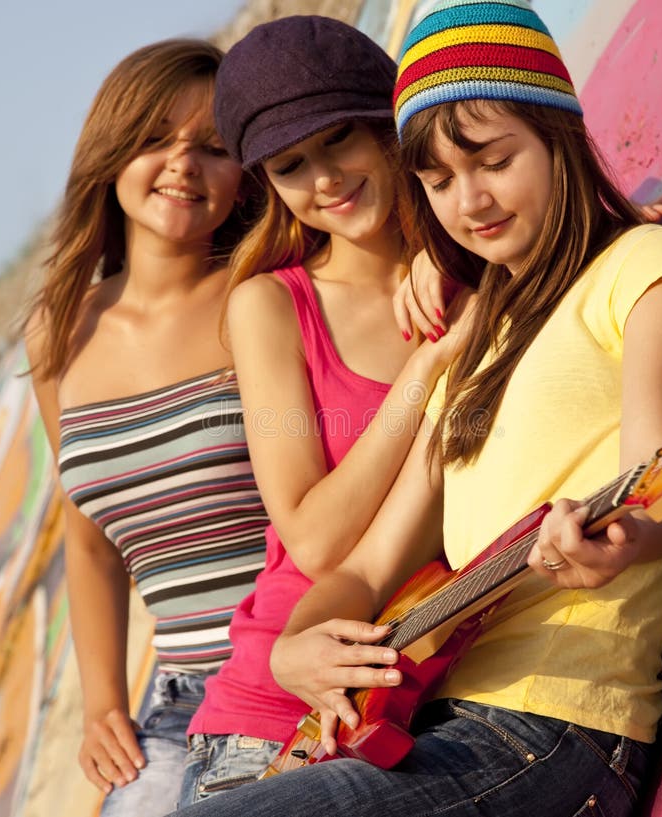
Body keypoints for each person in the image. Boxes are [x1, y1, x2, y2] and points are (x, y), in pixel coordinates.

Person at [168, 2, 662, 815]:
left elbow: (659, 484)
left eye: (494, 161)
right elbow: (363, 569)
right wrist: (299, 646)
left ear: (558, 133)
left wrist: (623, 538)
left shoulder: (651, 270)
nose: (469, 201)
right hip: (430, 726)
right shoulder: (475, 337)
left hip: (553, 726)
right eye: (437, 180)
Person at [176, 15, 470, 805]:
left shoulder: (476, 268)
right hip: (272, 720)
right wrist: (429, 363)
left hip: (425, 713)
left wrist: (458, 275)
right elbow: (310, 533)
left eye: (339, 139)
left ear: (386, 123)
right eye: (290, 166)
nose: (324, 180)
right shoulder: (271, 306)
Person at [23, 39, 270, 817]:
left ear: (245, 173)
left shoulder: (265, 294)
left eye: (212, 146)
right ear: (111, 152)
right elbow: (89, 535)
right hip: (175, 703)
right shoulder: (59, 332)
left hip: (285, 676)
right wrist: (103, 703)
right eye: (156, 139)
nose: (182, 165)